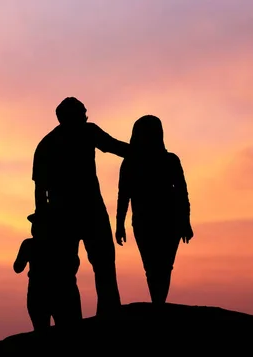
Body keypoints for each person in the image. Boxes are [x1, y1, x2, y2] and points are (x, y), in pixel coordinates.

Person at [32, 97, 129, 316]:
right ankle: (96, 315)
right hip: (80, 212)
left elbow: (40, 190)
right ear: (71, 116)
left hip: (71, 213)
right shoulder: (75, 135)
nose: (86, 117)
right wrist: (145, 153)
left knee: (84, 267)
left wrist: (141, 152)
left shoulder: (49, 143)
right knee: (89, 266)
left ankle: (86, 316)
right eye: (82, 114)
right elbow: (40, 188)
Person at [114, 115, 193, 304]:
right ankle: (158, 304)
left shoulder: (171, 160)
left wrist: (185, 222)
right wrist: (119, 225)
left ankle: (159, 303)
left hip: (168, 219)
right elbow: (123, 195)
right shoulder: (130, 163)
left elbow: (182, 193)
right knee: (153, 266)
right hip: (144, 220)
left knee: (163, 266)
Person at [14, 212, 82, 330]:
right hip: (52, 290)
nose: (34, 228)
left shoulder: (29, 244)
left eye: (36, 224)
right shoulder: (61, 243)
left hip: (41, 292)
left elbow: (18, 267)